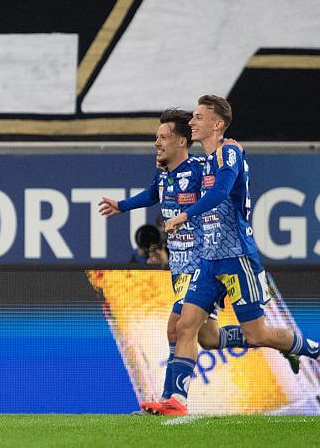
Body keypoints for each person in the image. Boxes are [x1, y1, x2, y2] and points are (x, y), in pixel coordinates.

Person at [99, 109, 298, 415]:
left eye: (163, 137)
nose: (157, 143)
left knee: (179, 326)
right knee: (208, 336)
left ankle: (174, 398)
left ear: (181, 141)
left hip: (201, 261)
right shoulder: (164, 173)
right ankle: (284, 344)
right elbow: (154, 193)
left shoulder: (201, 168)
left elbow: (223, 187)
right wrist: (122, 205)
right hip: (180, 267)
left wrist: (234, 151)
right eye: (156, 137)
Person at [148, 95, 317, 416]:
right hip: (209, 262)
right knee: (191, 330)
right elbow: (173, 181)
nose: (193, 122)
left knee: (257, 333)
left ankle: (309, 348)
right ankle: (175, 401)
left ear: (218, 124)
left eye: (199, 117)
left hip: (237, 257)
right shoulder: (205, 161)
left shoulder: (230, 152)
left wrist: (186, 215)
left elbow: (223, 191)